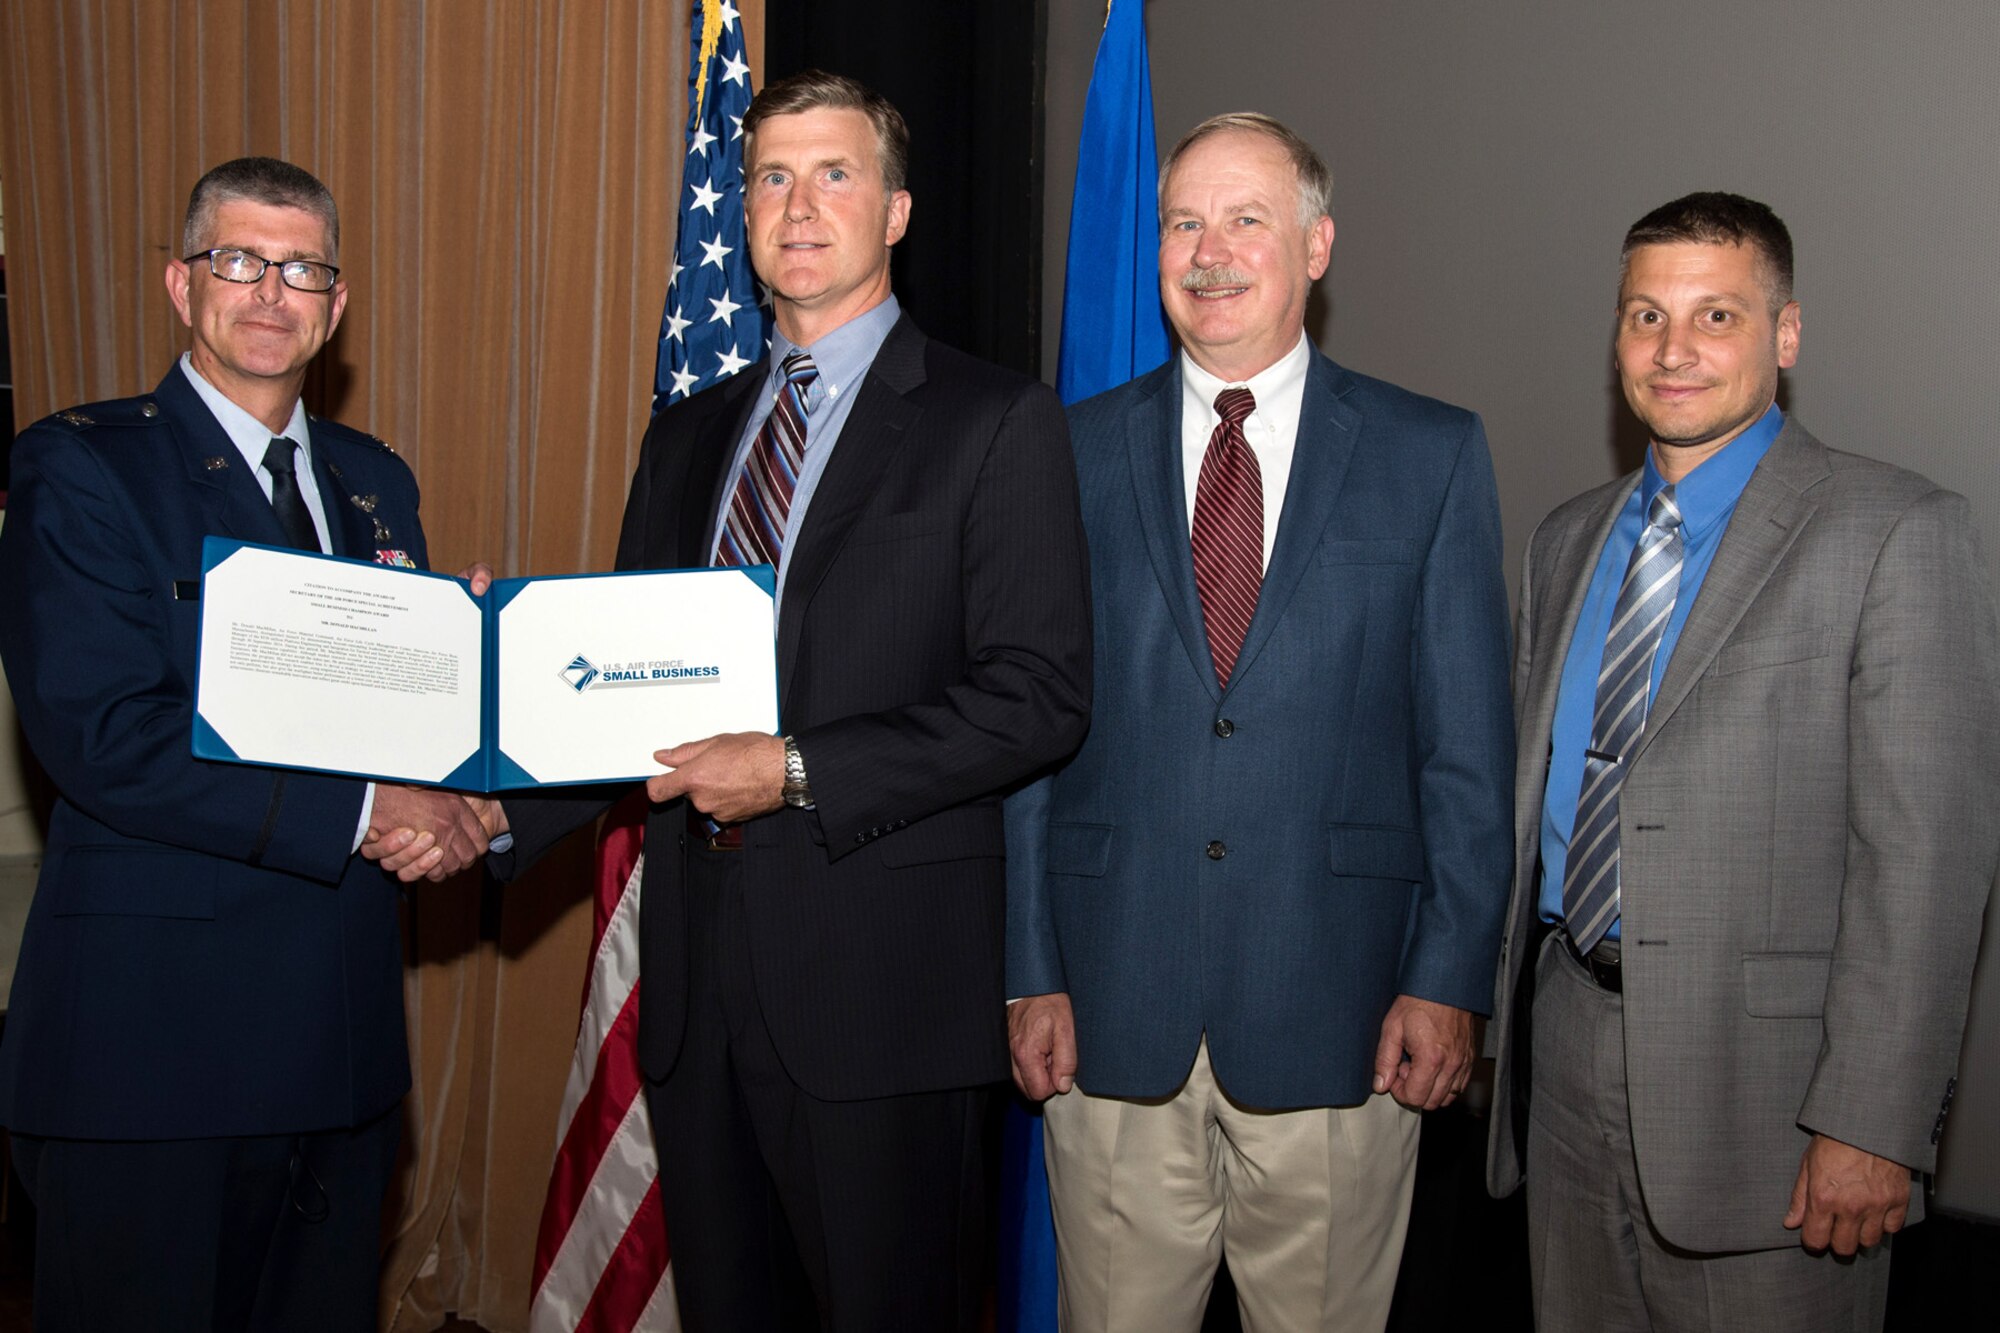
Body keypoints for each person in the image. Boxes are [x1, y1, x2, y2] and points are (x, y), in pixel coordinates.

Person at [396, 71, 1091, 1331]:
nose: (797, 204)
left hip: (880, 1001)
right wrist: (490, 813)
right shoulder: (688, 437)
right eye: (770, 176)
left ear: (895, 212)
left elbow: (1038, 698)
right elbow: (612, 696)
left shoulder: (995, 423)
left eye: (834, 174)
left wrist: (796, 769)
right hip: (696, 989)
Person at [1005, 112, 1513, 1332]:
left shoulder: (1428, 456)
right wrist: (1029, 969)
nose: (1208, 250)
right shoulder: (1059, 452)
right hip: (1109, 1013)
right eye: (1183, 221)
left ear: (1316, 244)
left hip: (1342, 1021)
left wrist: (1446, 978)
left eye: (1246, 219)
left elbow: (1465, 756)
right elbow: (1023, 735)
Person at [1484, 192, 2000, 1331]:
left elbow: (1924, 860)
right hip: (1565, 1049)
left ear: (1785, 333)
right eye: (1642, 316)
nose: (1672, 351)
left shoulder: (1893, 531)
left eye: (1714, 315)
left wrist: (1870, 1121)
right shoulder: (1564, 539)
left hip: (1773, 1104)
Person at [0, 156, 489, 1330]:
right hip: (150, 1055)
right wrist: (376, 813)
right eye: (237, 261)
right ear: (182, 285)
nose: (270, 292)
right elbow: (107, 737)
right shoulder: (83, 466)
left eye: (302, 269)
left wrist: (477, 681)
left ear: (337, 303)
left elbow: (396, 722)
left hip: (341, 1051)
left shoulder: (377, 487)